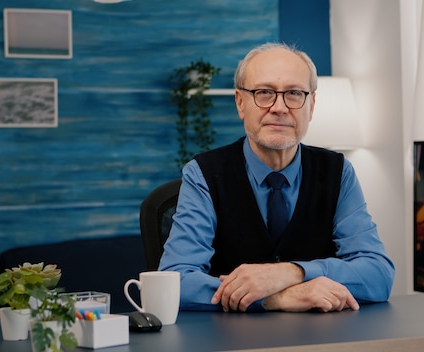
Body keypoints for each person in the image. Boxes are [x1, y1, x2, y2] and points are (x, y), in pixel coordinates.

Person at [159, 42, 395, 313]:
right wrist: (276, 298)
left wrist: (292, 273)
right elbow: (175, 282)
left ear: (312, 105)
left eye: (294, 93)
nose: (279, 107)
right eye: (264, 92)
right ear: (240, 103)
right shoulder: (203, 174)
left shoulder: (338, 172)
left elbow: (378, 275)